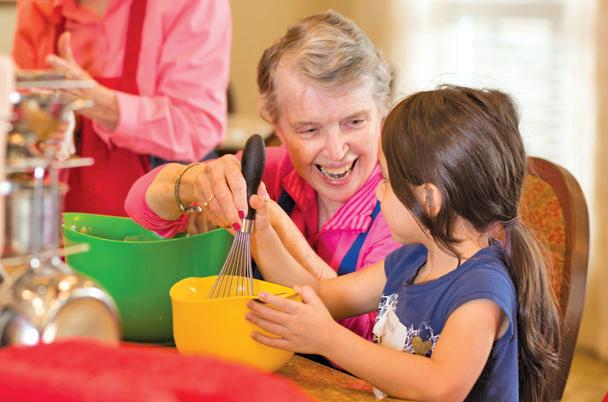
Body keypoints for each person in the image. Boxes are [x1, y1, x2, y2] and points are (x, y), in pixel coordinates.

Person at [245, 86, 561, 401]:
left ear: (429, 199)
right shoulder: (411, 260)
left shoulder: (482, 289)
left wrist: (329, 339)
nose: (378, 192)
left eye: (386, 181)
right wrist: (263, 236)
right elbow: (321, 294)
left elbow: (442, 385)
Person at [125, 11, 400, 341]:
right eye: (309, 129)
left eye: (354, 122)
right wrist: (192, 181)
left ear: (383, 111)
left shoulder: (403, 207)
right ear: (276, 125)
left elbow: (376, 333)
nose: (336, 150)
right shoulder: (271, 171)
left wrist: (274, 228)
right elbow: (141, 209)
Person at [12, 0, 231, 216]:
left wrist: (100, 104)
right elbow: (21, 119)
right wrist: (44, 124)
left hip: (164, 227)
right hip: (58, 219)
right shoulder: (36, 7)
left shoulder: (192, 4)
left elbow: (198, 128)